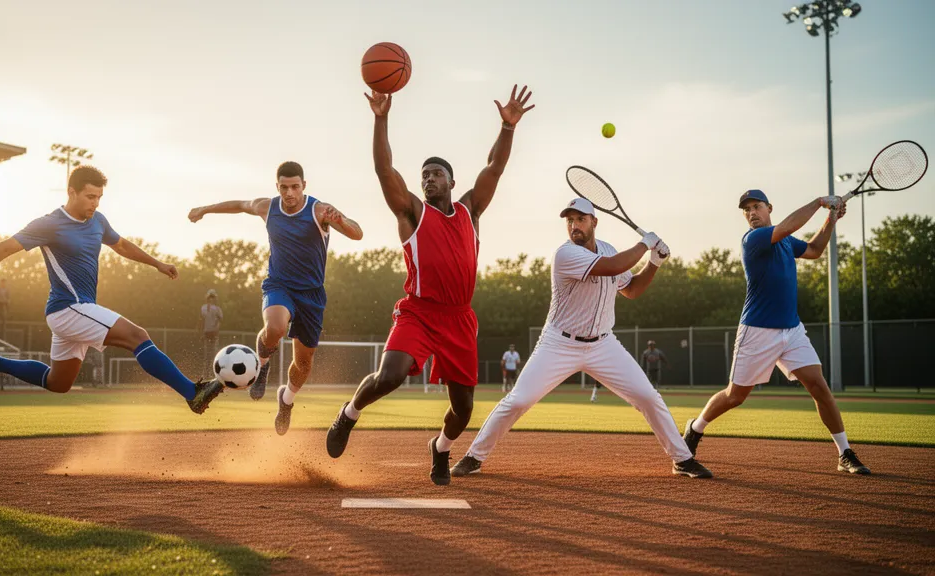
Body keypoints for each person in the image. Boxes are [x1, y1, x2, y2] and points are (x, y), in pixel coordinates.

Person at [326, 84, 535, 486]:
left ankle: (439, 448)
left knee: (463, 409)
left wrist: (507, 129)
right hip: (419, 311)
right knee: (390, 375)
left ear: (452, 182)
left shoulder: (470, 210)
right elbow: (384, 170)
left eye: (436, 174)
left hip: (459, 319)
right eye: (424, 176)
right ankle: (348, 414)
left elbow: (494, 168)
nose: (428, 179)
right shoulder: (411, 212)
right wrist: (381, 118)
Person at [450, 197, 712, 479]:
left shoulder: (609, 249)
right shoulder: (566, 255)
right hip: (559, 343)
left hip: (603, 344)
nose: (574, 225)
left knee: (648, 396)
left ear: (594, 222)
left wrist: (654, 263)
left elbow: (632, 290)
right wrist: (644, 244)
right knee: (518, 400)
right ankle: (474, 456)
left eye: (580, 219)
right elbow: (610, 266)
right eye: (569, 220)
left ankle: (682, 459)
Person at [0, 165, 223, 413]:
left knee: (58, 383)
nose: (95, 203)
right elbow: (6, 247)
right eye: (89, 196)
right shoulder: (49, 224)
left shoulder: (98, 220)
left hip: (75, 312)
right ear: (71, 192)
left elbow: (121, 245)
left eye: (98, 197)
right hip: (67, 308)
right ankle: (191, 392)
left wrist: (157, 263)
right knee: (138, 337)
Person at [683, 189, 870, 474]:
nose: (751, 213)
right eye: (746, 210)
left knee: (819, 387)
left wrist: (831, 219)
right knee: (735, 396)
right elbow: (789, 226)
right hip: (757, 330)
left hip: (792, 329)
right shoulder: (754, 239)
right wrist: (820, 202)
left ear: (769, 207)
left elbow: (815, 250)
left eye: (756, 206)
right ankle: (695, 430)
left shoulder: (785, 243)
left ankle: (844, 453)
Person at [189, 161, 362, 435]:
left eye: (295, 187)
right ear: (277, 186)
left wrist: (340, 219)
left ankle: (286, 400)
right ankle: (262, 365)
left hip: (312, 295)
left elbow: (357, 233)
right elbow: (239, 204)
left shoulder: (318, 211)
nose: (290, 193)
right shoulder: (267, 207)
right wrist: (205, 209)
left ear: (304, 185)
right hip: (278, 285)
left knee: (304, 363)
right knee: (276, 327)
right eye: (284, 187)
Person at [199, 289, 224, 376]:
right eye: (210, 297)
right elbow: (202, 320)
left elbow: (219, 321)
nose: (211, 299)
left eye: (213, 297)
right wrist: (202, 333)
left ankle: (214, 373)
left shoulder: (217, 309)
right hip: (206, 333)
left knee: (214, 354)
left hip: (214, 333)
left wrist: (216, 330)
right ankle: (206, 374)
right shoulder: (204, 308)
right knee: (207, 355)